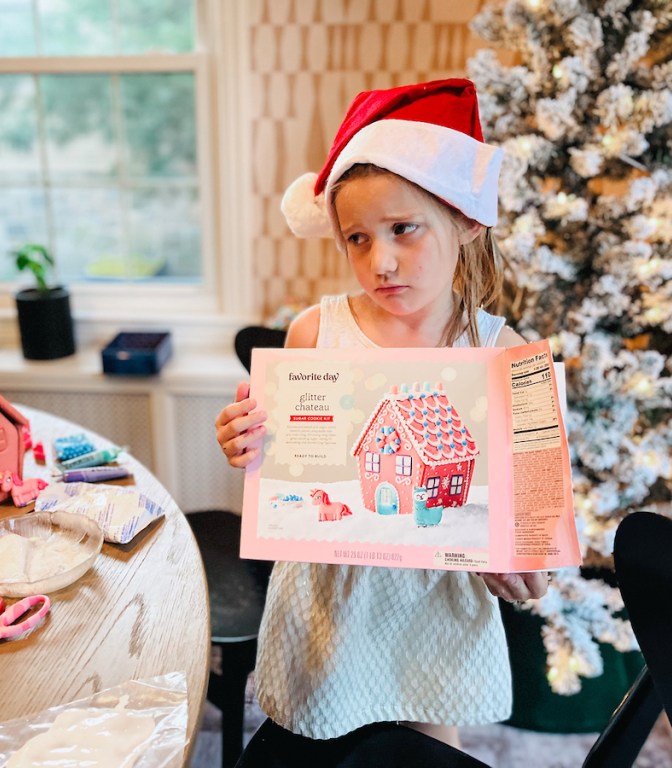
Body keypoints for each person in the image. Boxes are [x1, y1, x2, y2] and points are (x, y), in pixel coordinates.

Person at [214, 78, 549, 748]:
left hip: (436, 611)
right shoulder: (314, 331)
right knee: (312, 740)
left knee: (424, 756)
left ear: (465, 220)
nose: (381, 260)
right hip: (327, 603)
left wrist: (518, 566)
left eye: (403, 230)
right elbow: (284, 473)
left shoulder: (505, 353)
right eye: (357, 239)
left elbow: (533, 555)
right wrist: (246, 441)